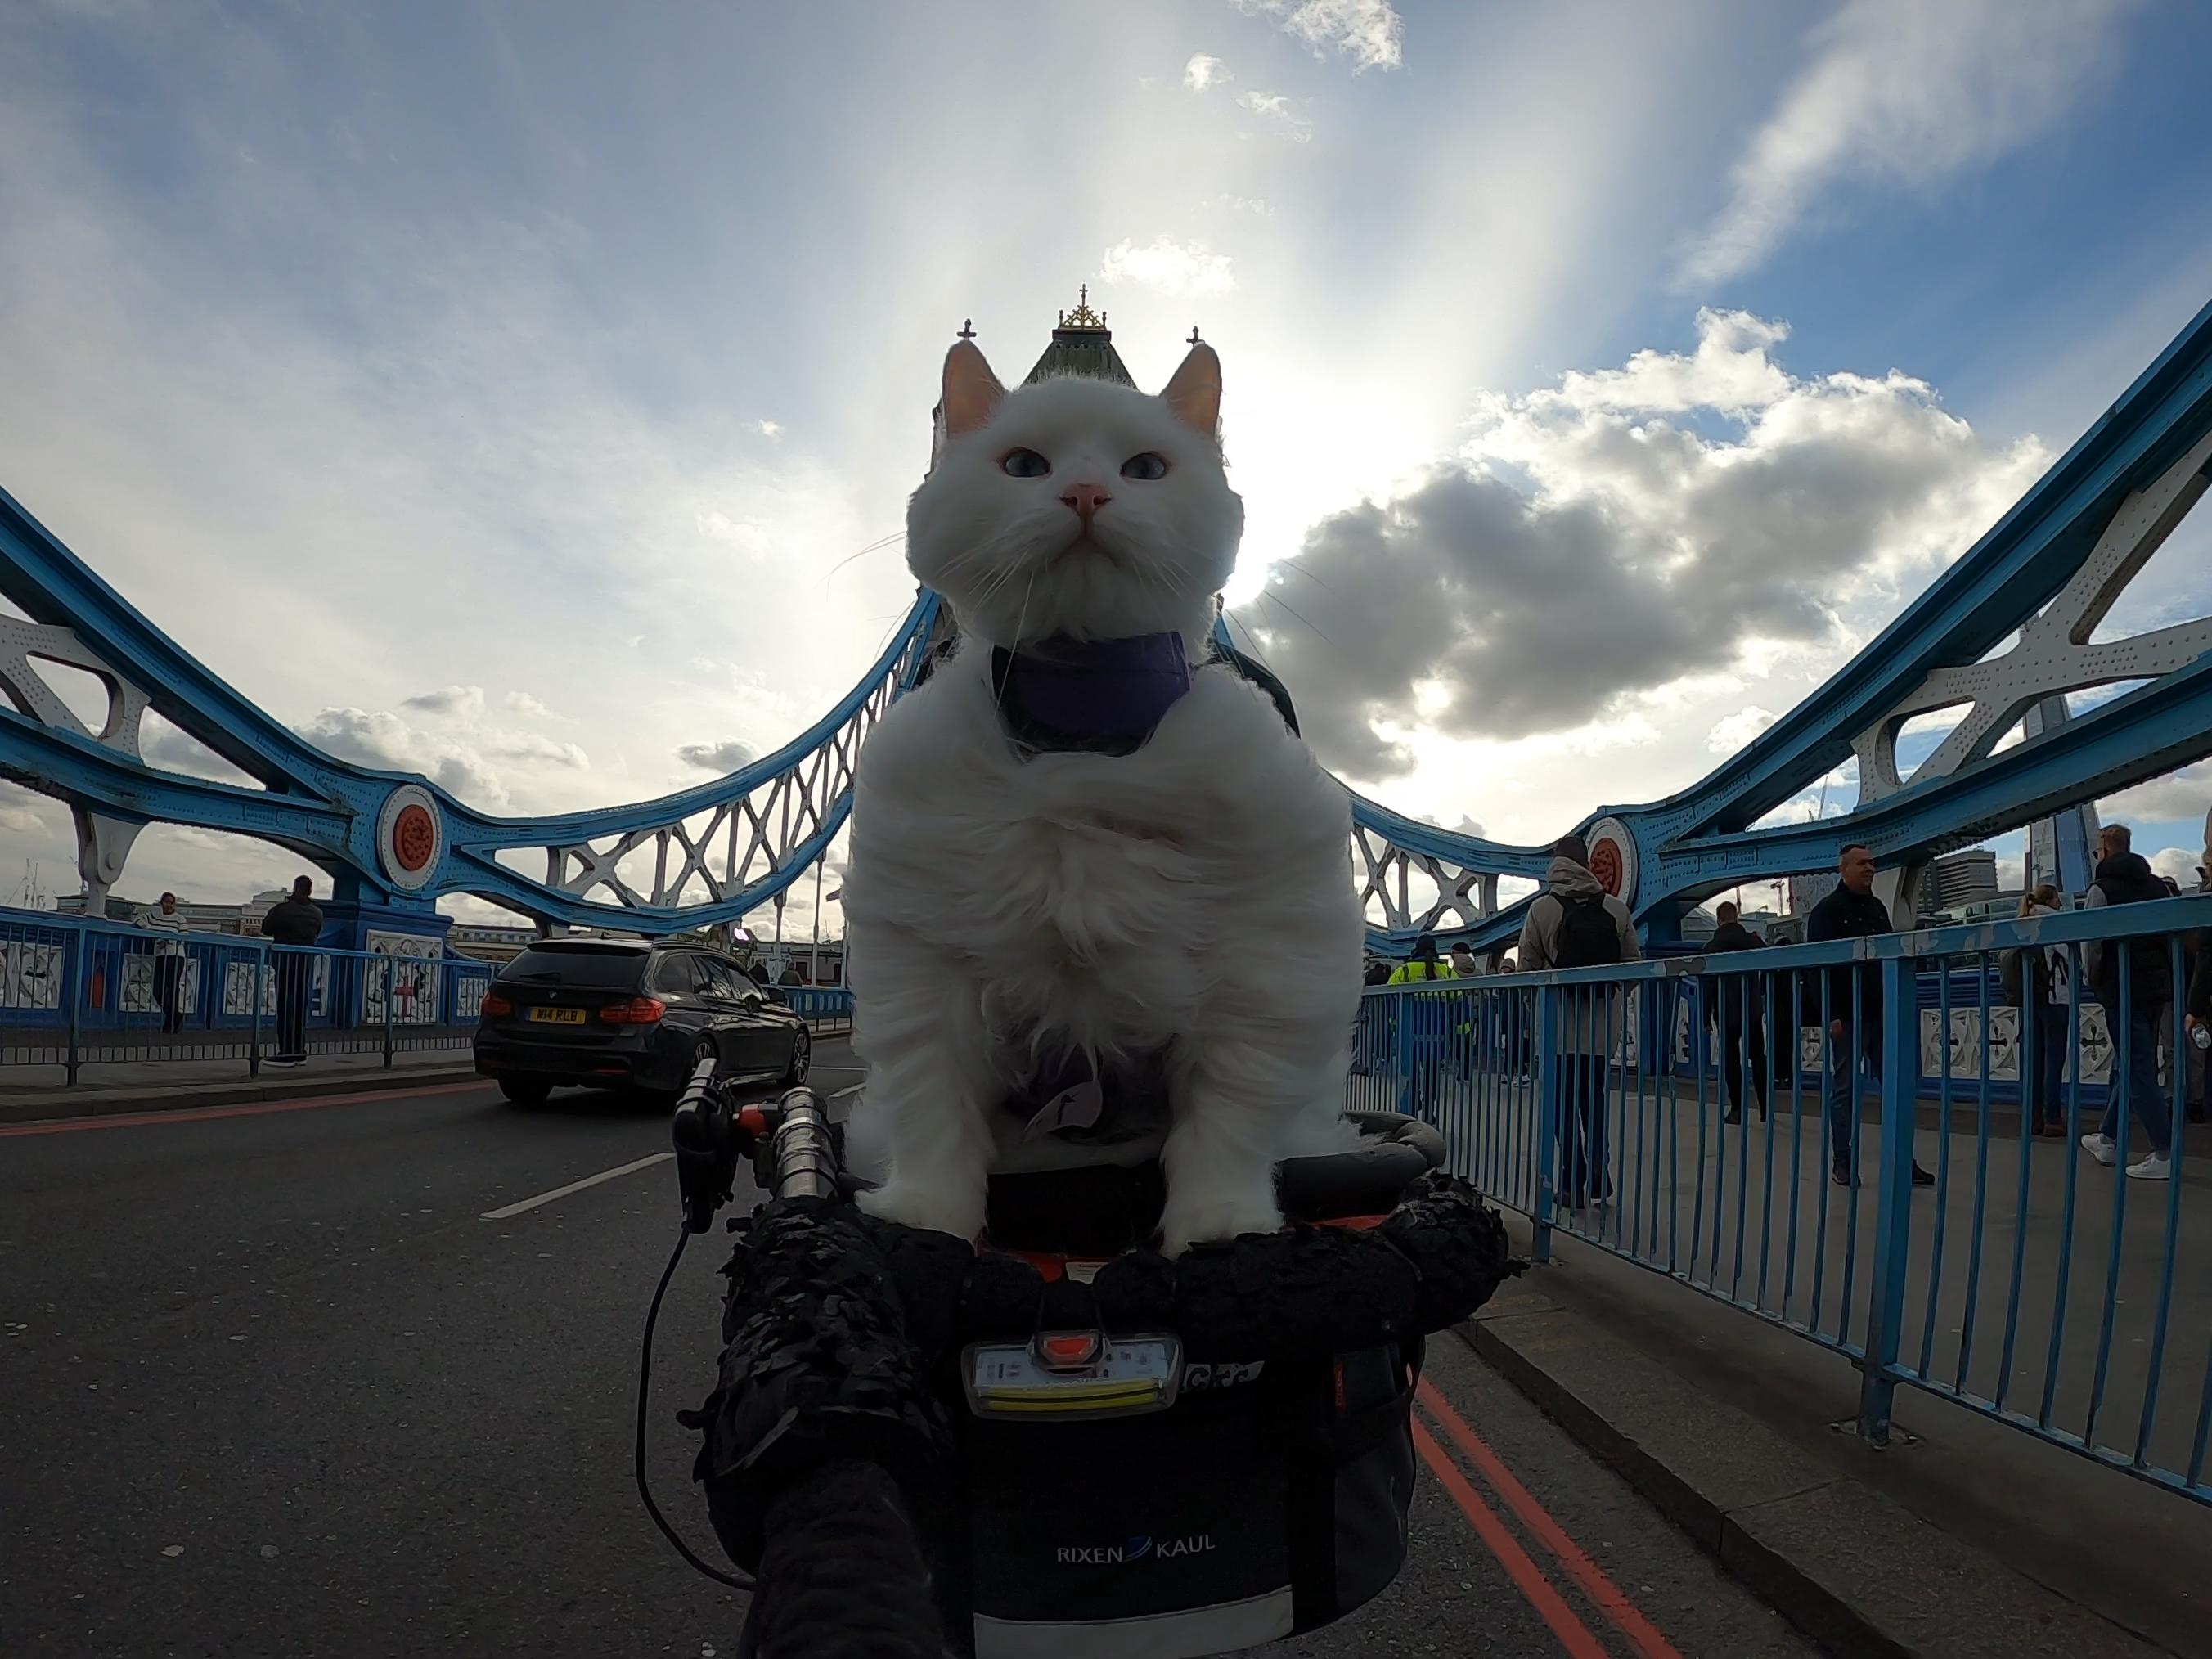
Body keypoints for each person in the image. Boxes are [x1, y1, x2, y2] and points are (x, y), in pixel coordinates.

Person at [1517, 835, 1639, 1207]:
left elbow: (1527, 969)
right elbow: (1634, 966)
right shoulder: (1616, 909)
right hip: (1601, 1030)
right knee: (1595, 1101)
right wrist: (1612, 999)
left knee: (1562, 1107)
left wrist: (1535, 1011)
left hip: (1558, 1029)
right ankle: (1599, 1174)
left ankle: (1572, 1183)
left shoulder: (1542, 908)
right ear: (1586, 863)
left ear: (1556, 863)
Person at [1806, 845, 1936, 1189]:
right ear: (1844, 869)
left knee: (1895, 1085)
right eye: (1863, 863)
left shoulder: (1877, 907)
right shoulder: (1826, 911)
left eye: (1873, 863)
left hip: (1881, 1011)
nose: (1871, 868)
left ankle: (1903, 1161)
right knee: (1845, 1089)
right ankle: (1842, 1161)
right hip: (1847, 1015)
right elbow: (1817, 967)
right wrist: (1829, 1014)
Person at [2080, 825, 2177, 1180]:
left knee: (2137, 1071)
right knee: (2133, 1063)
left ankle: (2163, 1153)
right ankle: (2108, 1138)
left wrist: (2095, 982)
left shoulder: (2101, 890)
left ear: (2104, 851)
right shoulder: (2157, 886)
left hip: (2122, 989)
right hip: (2157, 988)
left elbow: (2092, 949)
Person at [1999, 884, 2073, 1138]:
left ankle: (2033, 1118)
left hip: (2029, 999)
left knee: (2033, 1061)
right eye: (2058, 900)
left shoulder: (2021, 921)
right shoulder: (2054, 921)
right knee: (2054, 1061)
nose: (2061, 905)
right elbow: (2072, 955)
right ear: (2051, 899)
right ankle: (2053, 1118)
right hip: (2055, 998)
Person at [1702, 901, 1768, 1124]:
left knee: (1731, 1060)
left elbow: (1708, 985)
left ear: (1718, 920)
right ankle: (1766, 1109)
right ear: (1737, 917)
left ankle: (1737, 1110)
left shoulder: (1711, 947)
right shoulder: (1752, 941)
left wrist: (1705, 1015)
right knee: (1758, 1057)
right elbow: (1771, 961)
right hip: (1751, 1008)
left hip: (1725, 1008)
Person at [259, 875, 324, 1066]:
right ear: (310, 890)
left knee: (285, 1006)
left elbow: (266, 929)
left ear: (295, 888)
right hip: (305, 964)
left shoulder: (283, 910)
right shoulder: (317, 913)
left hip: (286, 962)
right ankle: (299, 1050)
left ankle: (286, 1052)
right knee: (299, 1007)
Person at [137, 892, 190, 1035]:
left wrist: (169, 940)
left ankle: (169, 1023)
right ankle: (175, 1015)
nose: (169, 905)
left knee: (173, 989)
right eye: (167, 902)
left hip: (175, 956)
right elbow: (139, 919)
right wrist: (150, 932)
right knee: (157, 990)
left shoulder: (180, 919)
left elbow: (184, 937)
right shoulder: (154, 916)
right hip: (160, 956)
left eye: (172, 902)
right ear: (162, 903)